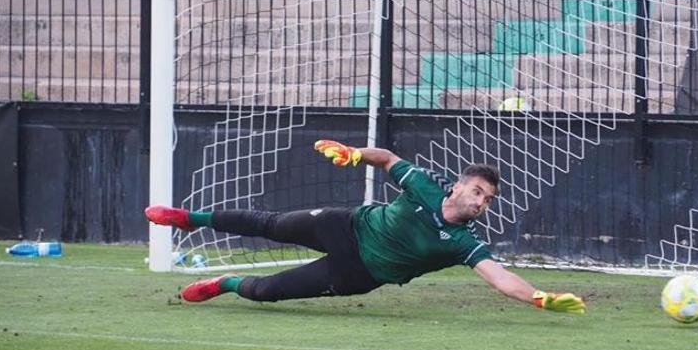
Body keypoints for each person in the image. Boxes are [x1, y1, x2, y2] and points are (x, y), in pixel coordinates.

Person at [145, 139, 586, 315]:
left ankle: (223, 282)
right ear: (458, 187)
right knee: (271, 223)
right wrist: (356, 154)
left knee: (269, 291)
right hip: (347, 226)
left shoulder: (463, 243)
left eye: (488, 200)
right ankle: (187, 219)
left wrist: (540, 298)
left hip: (360, 274)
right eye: (478, 192)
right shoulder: (426, 188)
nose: (482, 202)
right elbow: (389, 158)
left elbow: (499, 277)